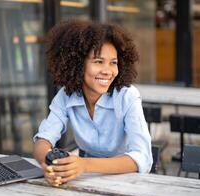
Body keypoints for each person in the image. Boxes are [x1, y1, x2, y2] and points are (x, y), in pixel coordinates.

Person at [33, 19, 152, 187]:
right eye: (98, 61)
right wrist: (50, 165)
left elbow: (143, 158)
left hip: (126, 181)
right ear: (78, 64)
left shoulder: (127, 96)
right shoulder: (66, 96)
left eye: (113, 62)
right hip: (83, 181)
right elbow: (43, 140)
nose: (108, 71)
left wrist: (84, 164)